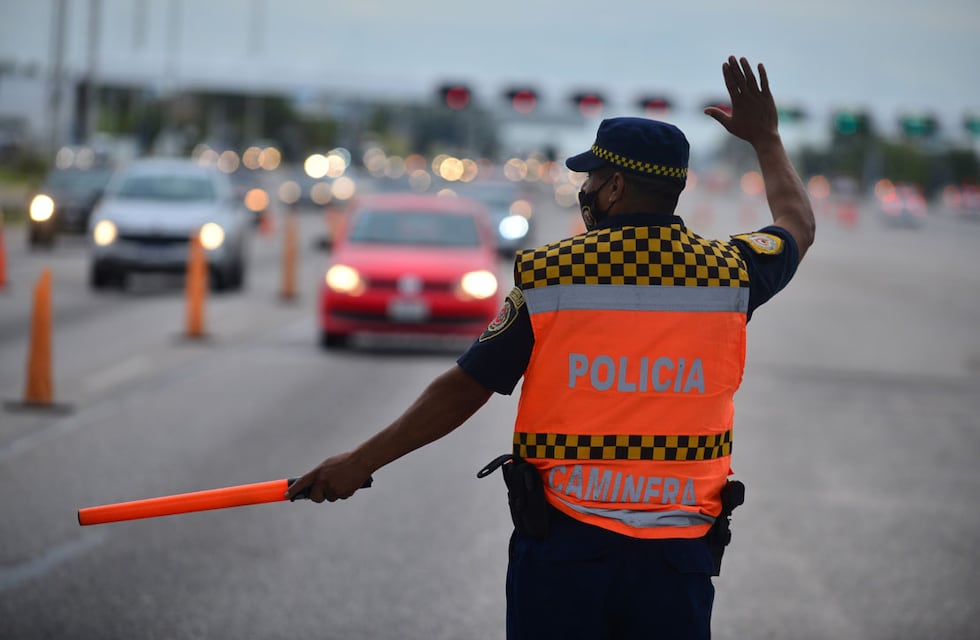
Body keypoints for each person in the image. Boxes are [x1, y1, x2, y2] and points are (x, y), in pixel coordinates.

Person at [287, 55, 815, 639]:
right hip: (677, 558)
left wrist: (360, 462)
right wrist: (767, 139)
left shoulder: (552, 275)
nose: (584, 191)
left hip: (568, 550)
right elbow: (798, 224)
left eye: (590, 179)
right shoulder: (730, 273)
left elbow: (466, 387)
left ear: (615, 187)